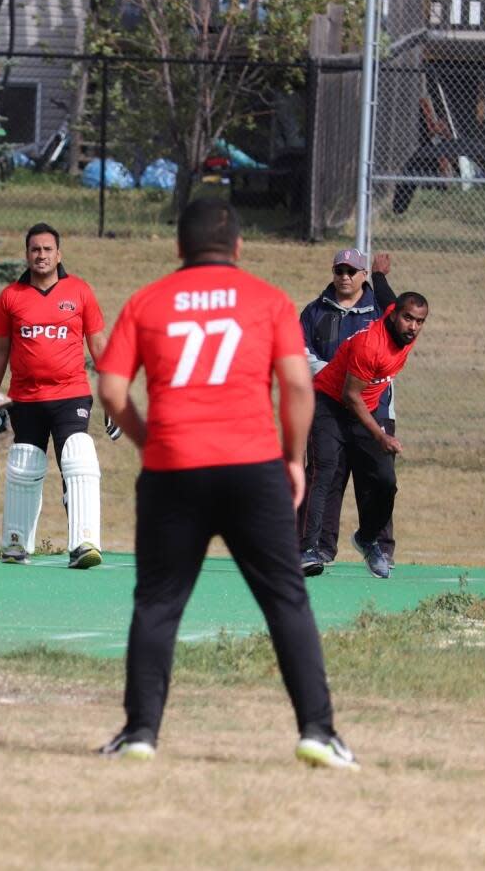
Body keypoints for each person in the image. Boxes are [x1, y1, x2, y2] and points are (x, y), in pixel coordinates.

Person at [95, 198, 358, 770]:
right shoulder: (268, 299)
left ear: (178, 248)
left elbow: (112, 392)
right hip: (251, 467)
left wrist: (149, 442)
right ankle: (317, 730)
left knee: (158, 602)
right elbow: (296, 387)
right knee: (286, 598)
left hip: (172, 469)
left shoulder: (148, 300)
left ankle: (140, 732)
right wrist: (292, 460)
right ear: (238, 248)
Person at [0, 221, 119, 570]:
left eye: (47, 249)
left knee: (78, 457)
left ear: (59, 254)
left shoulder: (79, 292)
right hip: (26, 398)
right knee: (25, 461)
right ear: (27, 254)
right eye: (34, 250)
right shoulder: (11, 297)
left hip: (70, 395)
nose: (41, 255)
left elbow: (99, 344)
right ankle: (16, 543)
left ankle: (84, 542)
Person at [301, 291, 429, 579]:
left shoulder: (404, 330)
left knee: (385, 480)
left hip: (362, 409)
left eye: (419, 321)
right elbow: (350, 396)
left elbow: (386, 294)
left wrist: (379, 274)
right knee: (324, 472)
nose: (413, 326)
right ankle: (308, 549)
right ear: (394, 315)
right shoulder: (371, 345)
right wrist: (381, 437)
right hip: (330, 405)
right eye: (408, 318)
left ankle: (367, 539)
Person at [297, 249, 397, 576]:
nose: (344, 277)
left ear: (363, 275)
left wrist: (356, 380)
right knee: (325, 475)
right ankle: (317, 548)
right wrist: (340, 375)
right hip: (328, 406)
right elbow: (300, 353)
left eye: (352, 271)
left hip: (374, 408)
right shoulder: (314, 311)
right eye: (339, 270)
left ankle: (378, 546)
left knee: (377, 479)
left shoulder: (381, 312)